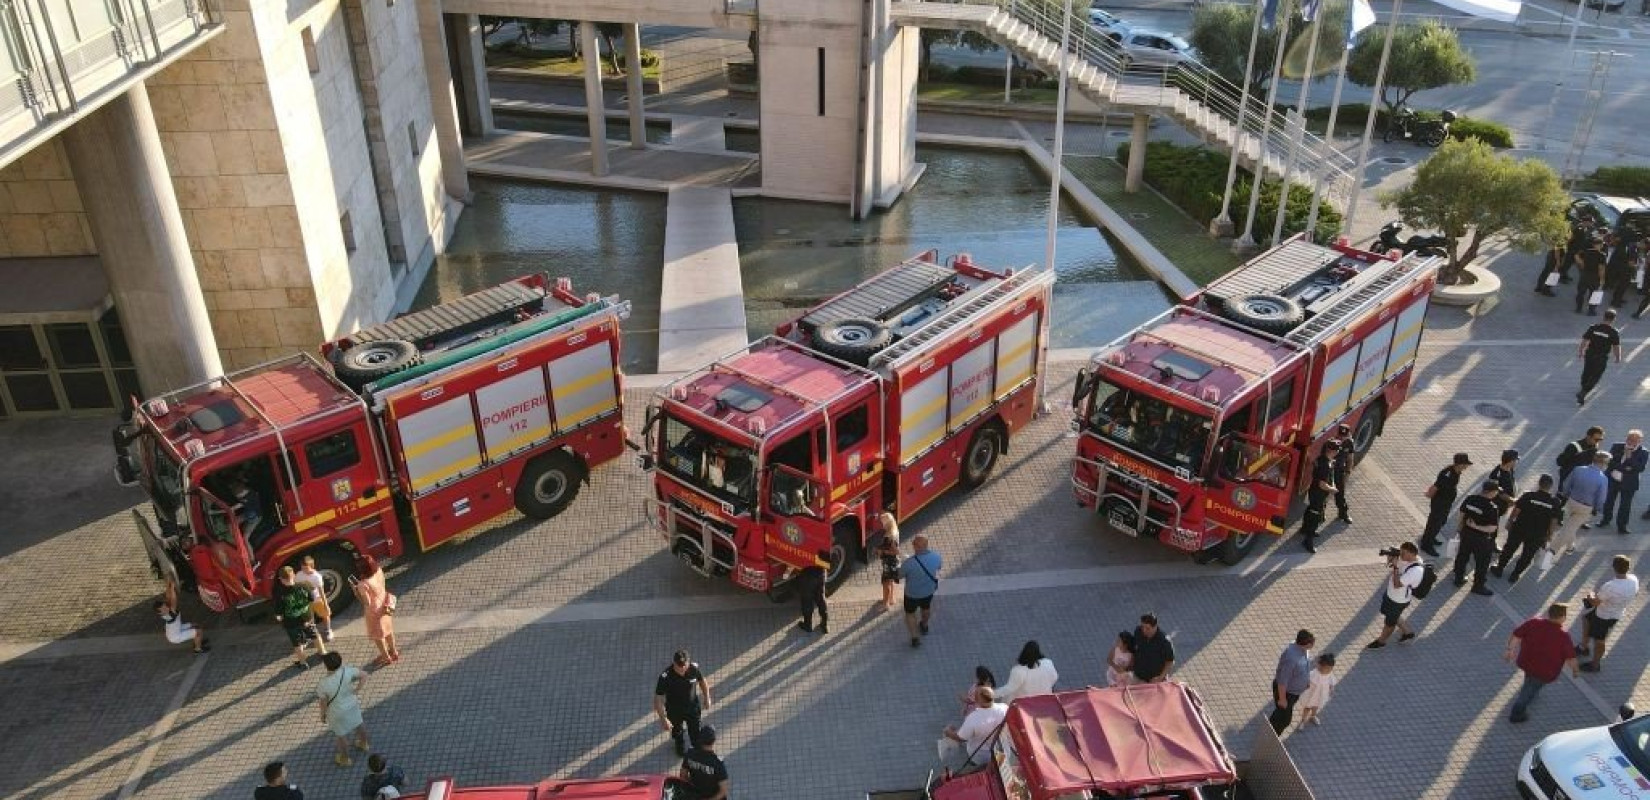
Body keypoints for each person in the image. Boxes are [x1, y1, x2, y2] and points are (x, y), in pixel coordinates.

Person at [1505, 603, 1580, 724]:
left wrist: (1510, 650)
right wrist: (1575, 670)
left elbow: (1516, 635)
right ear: (1562, 617)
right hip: (1545, 670)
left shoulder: (1533, 622)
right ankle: (1517, 713)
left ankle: (1529, 690)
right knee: (1529, 691)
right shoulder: (1563, 636)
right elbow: (1571, 657)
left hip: (1527, 661)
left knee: (1530, 678)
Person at [1492, 474, 1562, 585]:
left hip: (1520, 527)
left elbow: (1517, 510)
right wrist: (1549, 534)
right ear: (1551, 486)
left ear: (1539, 484)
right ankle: (1515, 575)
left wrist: (1510, 521)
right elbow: (1554, 520)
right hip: (1538, 533)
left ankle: (1499, 569)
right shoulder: (1555, 502)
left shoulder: (1528, 495)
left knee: (1509, 548)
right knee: (1527, 555)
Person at [1576, 555, 1640, 673]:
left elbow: (1595, 602)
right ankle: (1583, 647)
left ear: (1614, 567)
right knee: (1585, 619)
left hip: (1604, 616)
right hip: (1616, 612)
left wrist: (1590, 595)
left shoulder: (1610, 586)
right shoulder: (1634, 579)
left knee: (1600, 641)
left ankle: (1595, 665)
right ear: (1628, 567)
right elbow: (1636, 593)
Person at [654, 649, 713, 756]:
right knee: (677, 731)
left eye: (684, 667)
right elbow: (658, 698)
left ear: (688, 662)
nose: (682, 671)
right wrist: (663, 719)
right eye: (679, 668)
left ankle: (696, 746)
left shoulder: (693, 669)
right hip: (674, 710)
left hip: (692, 708)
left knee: (695, 731)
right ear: (674, 663)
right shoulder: (665, 677)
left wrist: (707, 697)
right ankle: (679, 744)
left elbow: (702, 681)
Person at [315, 651, 370, 766]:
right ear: (340, 661)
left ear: (326, 666)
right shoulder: (347, 671)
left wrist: (322, 715)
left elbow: (323, 703)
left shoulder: (323, 684)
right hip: (352, 705)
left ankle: (345, 759)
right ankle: (364, 744)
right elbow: (364, 675)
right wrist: (357, 690)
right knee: (359, 724)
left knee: (341, 736)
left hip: (336, 712)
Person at [1554, 452, 1612, 556]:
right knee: (1569, 529)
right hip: (1585, 508)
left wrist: (1566, 495)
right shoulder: (1603, 479)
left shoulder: (1578, 469)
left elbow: (1566, 484)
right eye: (1607, 463)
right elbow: (1601, 498)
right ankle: (1552, 550)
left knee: (1569, 526)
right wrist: (1597, 509)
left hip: (1571, 501)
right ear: (1603, 464)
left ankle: (1570, 547)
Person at [1367, 542, 1423, 648]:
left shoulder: (1416, 571)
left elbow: (1397, 585)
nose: (1401, 555)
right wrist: (1391, 560)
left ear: (1412, 554)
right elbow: (1393, 566)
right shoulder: (1405, 558)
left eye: (1403, 553)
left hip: (1398, 601)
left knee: (1389, 623)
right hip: (1391, 595)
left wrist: (1396, 567)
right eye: (1401, 552)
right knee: (1391, 614)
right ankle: (1407, 632)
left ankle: (1381, 642)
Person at [1453, 481, 1502, 596]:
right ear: (1492, 492)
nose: (1497, 493)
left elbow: (1461, 514)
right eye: (1496, 491)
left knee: (1462, 556)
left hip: (1466, 534)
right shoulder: (1492, 507)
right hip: (1481, 539)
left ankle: (1458, 578)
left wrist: (1459, 528)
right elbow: (1492, 528)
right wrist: (1476, 527)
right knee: (1482, 563)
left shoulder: (1470, 499)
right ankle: (1478, 586)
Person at [350, 555, 398, 667]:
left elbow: (366, 602)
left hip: (374, 612)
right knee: (388, 630)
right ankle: (394, 652)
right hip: (385, 604)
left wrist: (356, 591)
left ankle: (386, 657)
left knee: (378, 636)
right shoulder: (379, 571)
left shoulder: (363, 584)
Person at [274, 566, 326, 670]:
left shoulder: (279, 593)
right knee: (314, 634)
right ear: (293, 575)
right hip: (307, 617)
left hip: (291, 622)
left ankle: (303, 662)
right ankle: (323, 653)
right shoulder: (305, 585)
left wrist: (279, 618)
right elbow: (311, 599)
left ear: (281, 579)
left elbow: (278, 611)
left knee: (296, 642)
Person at [1420, 454, 1472, 556]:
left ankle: (1430, 538)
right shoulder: (1447, 474)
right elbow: (1436, 486)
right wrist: (1429, 494)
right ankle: (1426, 545)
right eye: (1465, 464)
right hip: (1440, 503)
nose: (1466, 467)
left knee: (1441, 522)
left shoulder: (1456, 472)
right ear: (1460, 464)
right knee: (1434, 523)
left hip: (1446, 503)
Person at [944, 686, 1008, 766]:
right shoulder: (1004, 708)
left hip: (980, 754)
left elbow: (961, 738)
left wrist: (948, 732)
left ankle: (974, 764)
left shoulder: (973, 719)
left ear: (976, 701)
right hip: (1000, 751)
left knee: (978, 766)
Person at [899, 535, 941, 648]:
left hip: (912, 594)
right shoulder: (936, 557)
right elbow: (938, 568)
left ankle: (915, 638)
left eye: (914, 544)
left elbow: (899, 575)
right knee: (926, 607)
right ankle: (924, 625)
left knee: (910, 613)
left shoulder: (909, 563)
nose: (912, 545)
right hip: (928, 591)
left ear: (916, 547)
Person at [1269, 630, 1314, 734]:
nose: (1313, 645)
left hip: (1294, 693)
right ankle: (1270, 735)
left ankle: (1270, 732)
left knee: (1281, 714)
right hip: (1287, 693)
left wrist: (1306, 681)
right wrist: (1282, 699)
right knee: (1284, 720)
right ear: (1306, 644)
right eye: (1311, 643)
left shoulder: (1303, 650)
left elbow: (1305, 666)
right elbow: (1282, 681)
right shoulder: (1291, 659)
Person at [1602, 431, 1646, 535]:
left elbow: (1640, 468)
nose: (1630, 442)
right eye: (1629, 439)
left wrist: (1629, 457)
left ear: (1639, 441)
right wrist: (1625, 468)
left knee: (1625, 506)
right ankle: (1605, 519)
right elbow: (1610, 462)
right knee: (1608, 501)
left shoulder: (1644, 452)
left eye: (1634, 440)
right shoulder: (1617, 446)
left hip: (1629, 483)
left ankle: (1622, 526)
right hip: (1613, 480)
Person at [1298, 441, 1339, 553]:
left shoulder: (1322, 459)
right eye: (1336, 451)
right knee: (1315, 516)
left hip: (1314, 491)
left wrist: (1332, 484)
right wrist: (1333, 490)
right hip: (1318, 494)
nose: (1337, 453)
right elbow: (1322, 484)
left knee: (1310, 509)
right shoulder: (1325, 465)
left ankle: (1304, 529)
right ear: (1332, 451)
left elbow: (1328, 477)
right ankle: (1308, 541)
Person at [1577, 310, 1623, 405]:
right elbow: (1616, 346)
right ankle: (1584, 392)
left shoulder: (1593, 328)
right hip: (1601, 357)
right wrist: (1618, 357)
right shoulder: (1613, 332)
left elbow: (1585, 340)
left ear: (1603, 317)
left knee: (1587, 371)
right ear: (1613, 319)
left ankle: (1583, 387)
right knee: (1596, 375)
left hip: (1590, 354)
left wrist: (1581, 351)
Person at [678, 723, 729, 800]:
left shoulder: (690, 753)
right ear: (713, 741)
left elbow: (683, 775)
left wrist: (691, 787)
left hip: (696, 794)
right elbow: (723, 791)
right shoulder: (717, 763)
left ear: (700, 739)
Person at [154, 582, 209, 654]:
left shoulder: (168, 610)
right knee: (198, 631)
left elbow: (168, 598)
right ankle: (197, 649)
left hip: (177, 629)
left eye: (165, 606)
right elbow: (174, 600)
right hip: (176, 636)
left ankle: (198, 641)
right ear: (160, 613)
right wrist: (172, 588)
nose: (166, 608)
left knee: (195, 625)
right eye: (163, 609)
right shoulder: (169, 615)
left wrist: (168, 586)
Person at [297, 555, 334, 644]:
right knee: (309, 618)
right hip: (306, 601)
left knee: (325, 615)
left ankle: (328, 630)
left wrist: (326, 604)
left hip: (317, 599)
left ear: (312, 566)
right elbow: (297, 587)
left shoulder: (317, 577)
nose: (304, 570)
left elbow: (321, 592)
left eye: (306, 568)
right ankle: (312, 634)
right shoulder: (299, 575)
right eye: (302, 568)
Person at [1295, 653, 1338, 728]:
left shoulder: (1330, 674)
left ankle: (1313, 716)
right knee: (1307, 708)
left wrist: (1331, 689)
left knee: (1316, 706)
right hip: (1311, 695)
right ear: (1320, 666)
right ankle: (1303, 720)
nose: (1329, 670)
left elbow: (1331, 683)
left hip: (1321, 695)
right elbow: (1306, 681)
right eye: (1327, 668)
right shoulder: (1314, 673)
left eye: (1330, 668)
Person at [1130, 613, 1175, 683]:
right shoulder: (1138, 632)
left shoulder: (1164, 641)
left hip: (1155, 680)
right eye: (1142, 627)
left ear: (1155, 627)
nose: (1144, 631)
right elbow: (1134, 649)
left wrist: (1160, 677)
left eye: (1147, 628)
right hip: (1138, 677)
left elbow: (1170, 662)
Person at [795, 550, 829, 634]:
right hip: (820, 572)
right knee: (821, 598)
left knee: (807, 600)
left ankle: (807, 625)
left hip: (807, 574)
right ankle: (824, 625)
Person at [876, 512, 901, 611]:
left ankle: (885, 604)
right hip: (893, 562)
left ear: (887, 523)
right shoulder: (895, 532)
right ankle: (891, 599)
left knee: (886, 583)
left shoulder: (889, 536)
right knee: (890, 581)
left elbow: (896, 551)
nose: (882, 525)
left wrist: (882, 551)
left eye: (883, 522)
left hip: (889, 562)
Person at [1574, 238, 1606, 316]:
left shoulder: (1586, 251)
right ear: (1601, 245)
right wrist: (1602, 279)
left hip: (1584, 274)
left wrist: (1581, 264)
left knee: (1581, 293)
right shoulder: (1602, 255)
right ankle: (1591, 310)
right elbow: (1601, 268)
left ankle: (1578, 308)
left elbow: (1576, 256)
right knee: (1593, 294)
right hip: (1594, 277)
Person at [1331, 424, 1354, 524]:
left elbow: (1350, 458)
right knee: (1323, 495)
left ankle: (1343, 514)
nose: (1342, 438)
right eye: (1340, 436)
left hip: (1340, 472)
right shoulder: (1331, 443)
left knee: (1340, 494)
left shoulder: (1349, 443)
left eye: (1344, 436)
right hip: (1329, 471)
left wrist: (1348, 472)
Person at [1488, 449, 1519, 517]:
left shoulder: (1510, 469)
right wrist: (1513, 500)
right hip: (1498, 508)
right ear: (1511, 461)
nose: (1517, 462)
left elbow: (1512, 481)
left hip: (1506, 505)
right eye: (1516, 460)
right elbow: (1500, 494)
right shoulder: (1496, 475)